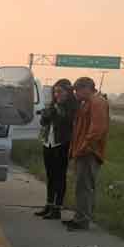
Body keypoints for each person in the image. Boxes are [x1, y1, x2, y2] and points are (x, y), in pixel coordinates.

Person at [64, 76, 110, 231]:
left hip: (89, 152)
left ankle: (82, 220)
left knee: (84, 187)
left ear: (86, 89)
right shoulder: (87, 103)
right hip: (83, 151)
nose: (75, 94)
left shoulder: (97, 102)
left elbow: (97, 129)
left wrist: (83, 147)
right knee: (81, 186)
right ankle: (81, 217)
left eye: (77, 90)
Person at [34, 79, 77, 219]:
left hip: (62, 144)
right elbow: (43, 123)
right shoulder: (53, 105)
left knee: (60, 177)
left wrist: (56, 110)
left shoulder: (72, 107)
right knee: (50, 176)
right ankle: (49, 205)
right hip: (48, 143)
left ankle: (57, 208)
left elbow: (67, 122)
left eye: (60, 91)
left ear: (68, 93)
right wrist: (46, 115)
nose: (57, 94)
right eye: (55, 91)